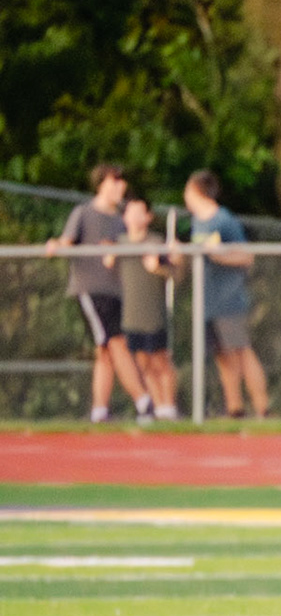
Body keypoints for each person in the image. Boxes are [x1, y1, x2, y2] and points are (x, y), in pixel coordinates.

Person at [43, 163, 155, 423]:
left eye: (122, 181)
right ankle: (143, 400)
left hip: (116, 292)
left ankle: (99, 410)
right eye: (115, 181)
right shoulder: (83, 212)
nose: (121, 186)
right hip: (91, 290)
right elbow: (66, 241)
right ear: (101, 184)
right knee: (116, 342)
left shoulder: (120, 220)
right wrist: (54, 244)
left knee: (105, 350)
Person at [183, 169, 269, 418]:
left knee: (241, 349)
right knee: (222, 354)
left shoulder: (224, 220)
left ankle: (263, 407)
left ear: (197, 191)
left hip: (228, 299)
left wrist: (219, 255)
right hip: (206, 301)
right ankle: (235, 408)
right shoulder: (197, 223)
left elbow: (246, 257)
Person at [111, 193, 182, 420]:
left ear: (148, 217)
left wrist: (159, 267)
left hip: (154, 313)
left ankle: (168, 406)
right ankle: (155, 407)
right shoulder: (119, 244)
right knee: (142, 362)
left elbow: (176, 273)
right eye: (130, 211)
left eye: (139, 212)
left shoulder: (156, 242)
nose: (134, 216)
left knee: (160, 359)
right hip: (131, 314)